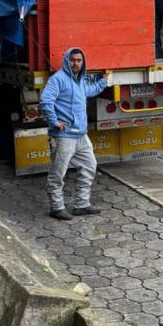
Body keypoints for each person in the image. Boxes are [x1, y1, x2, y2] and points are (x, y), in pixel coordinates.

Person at [40, 48, 108, 220]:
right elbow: (46, 100)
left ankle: (82, 204)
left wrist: (103, 82)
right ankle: (56, 208)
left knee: (89, 166)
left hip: (81, 136)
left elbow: (89, 91)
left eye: (79, 60)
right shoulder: (58, 79)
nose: (76, 63)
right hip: (64, 136)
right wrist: (54, 122)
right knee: (58, 173)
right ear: (66, 60)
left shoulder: (80, 81)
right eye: (72, 60)